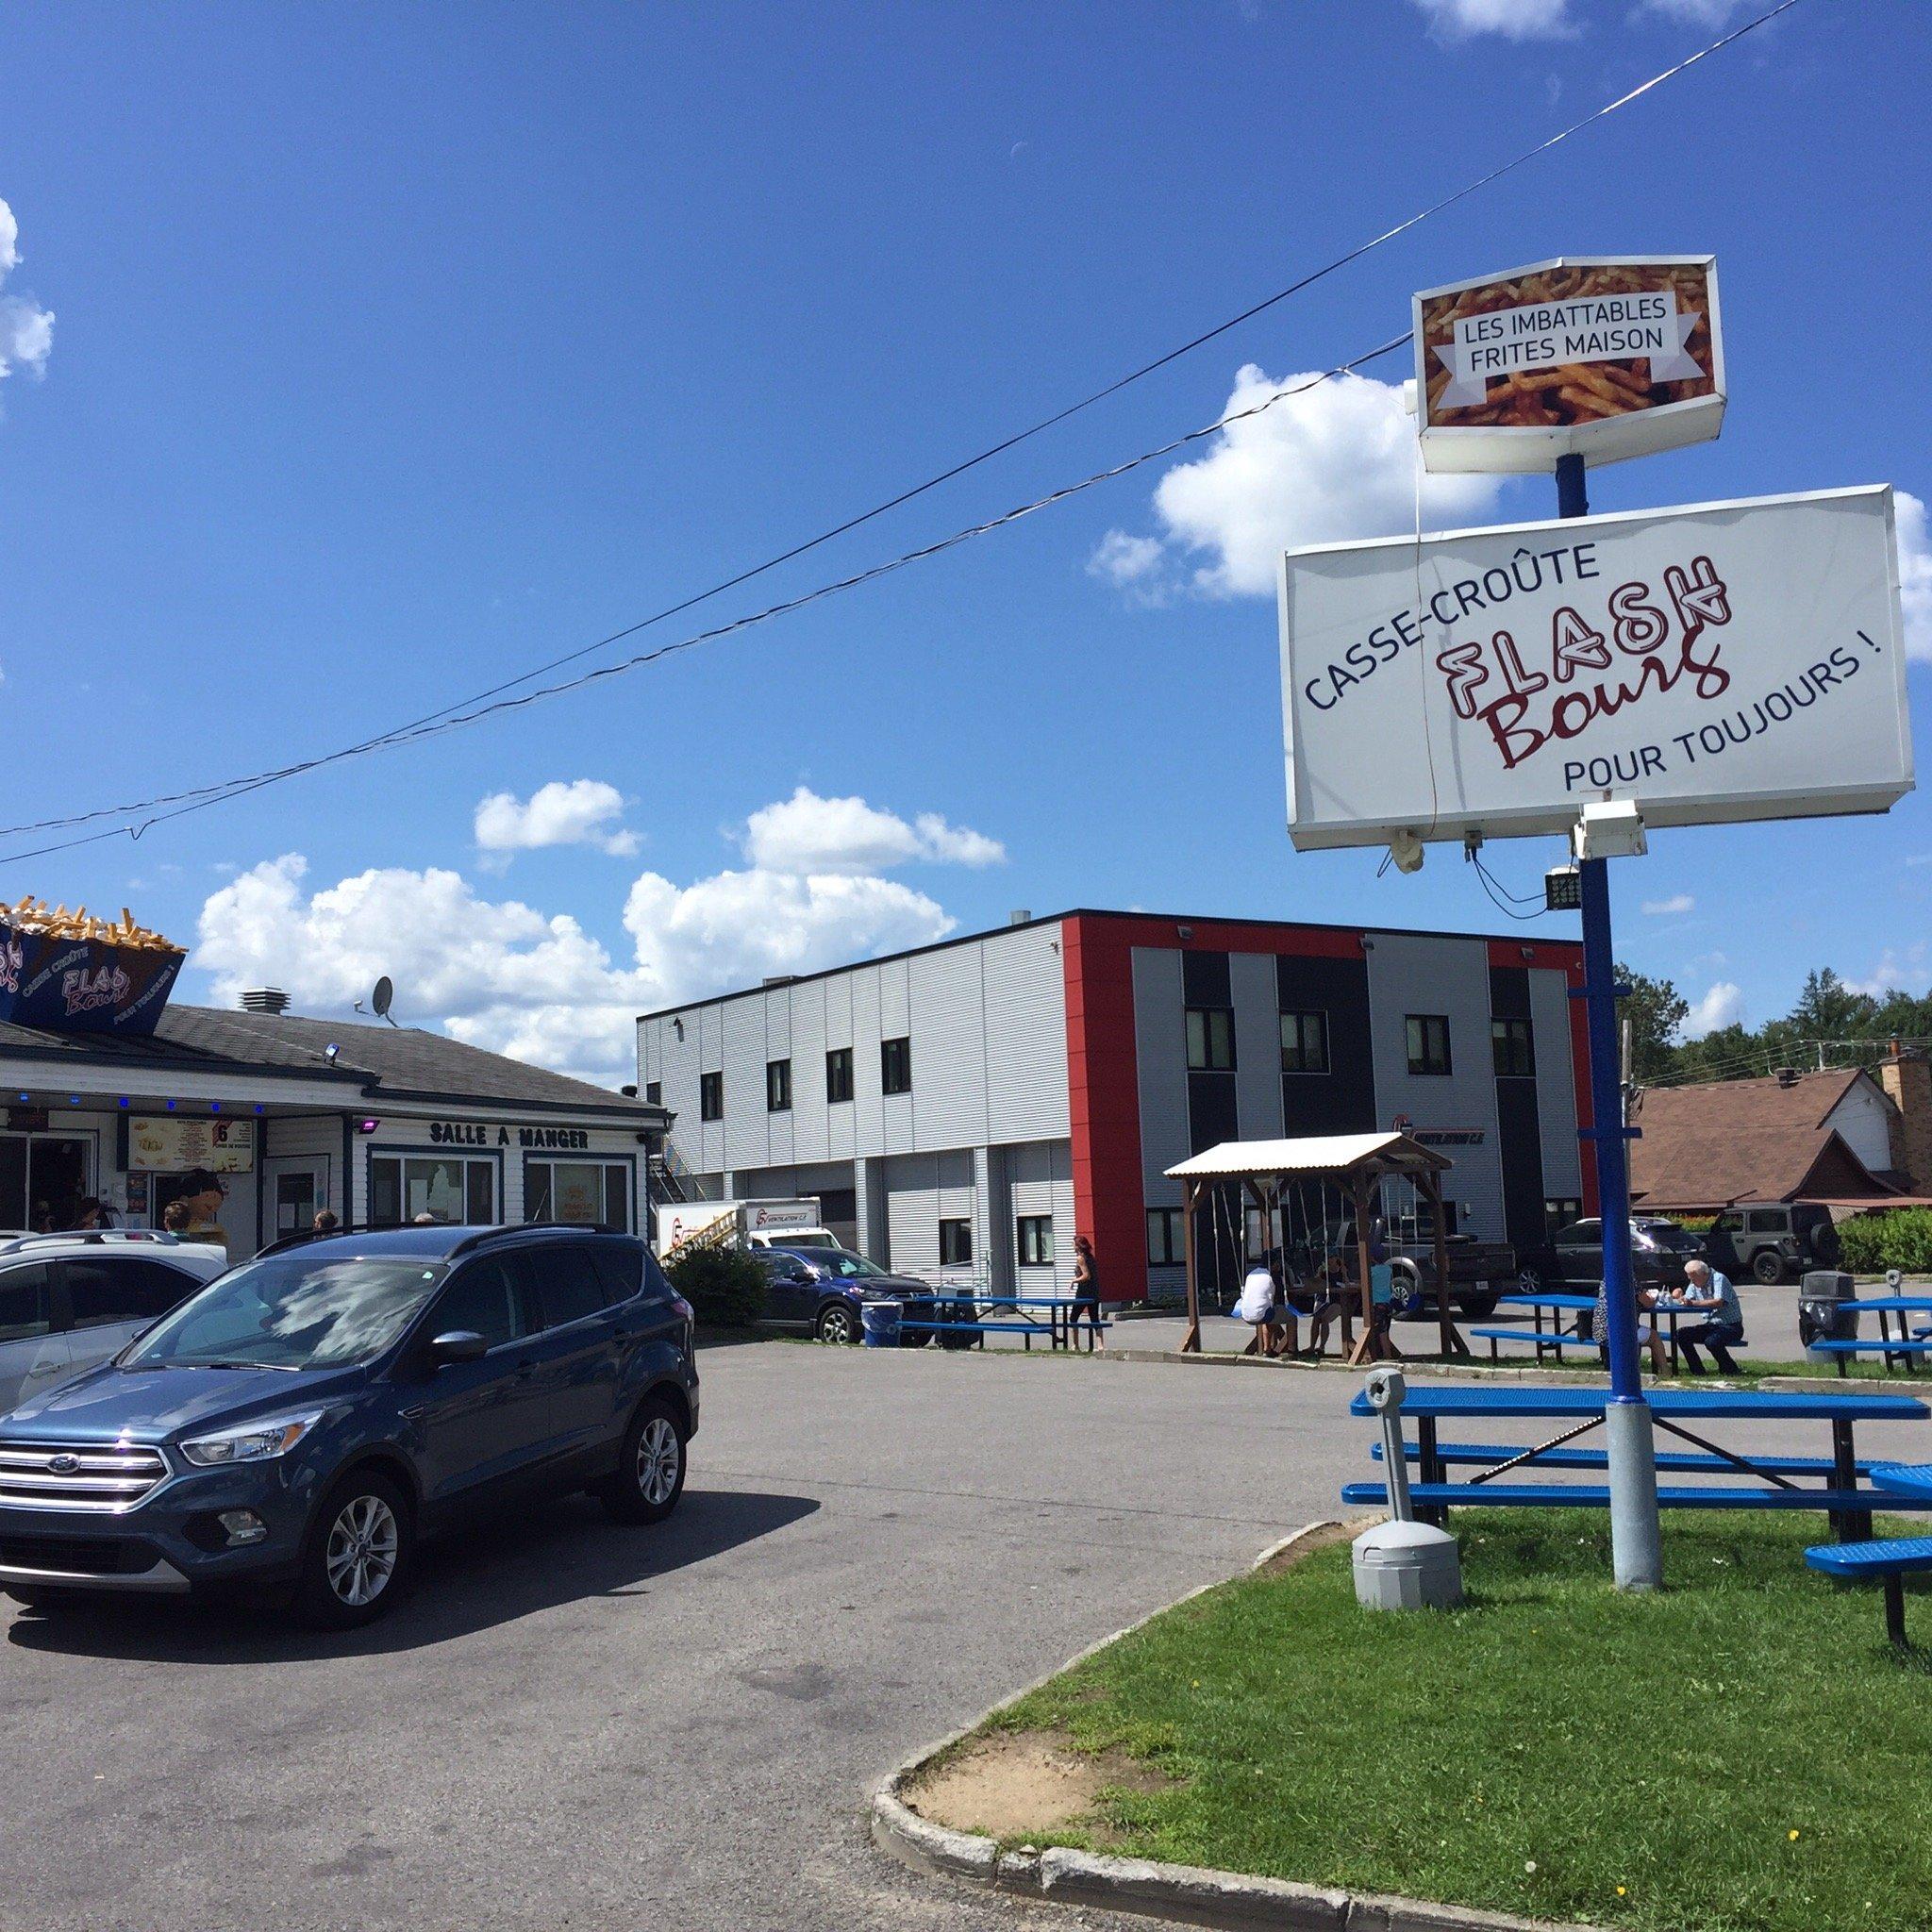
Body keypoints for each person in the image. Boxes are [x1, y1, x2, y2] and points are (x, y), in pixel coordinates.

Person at [1674, 1257, 1745, 1375]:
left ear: (1703, 1274)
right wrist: (1680, 1297)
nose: (1690, 1280)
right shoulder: (1694, 1283)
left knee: (1712, 1341)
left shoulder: (1719, 1278)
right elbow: (1688, 1299)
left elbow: (1718, 1302)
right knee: (1681, 1334)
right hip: (1711, 1325)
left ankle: (1730, 1369)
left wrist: (1693, 1303)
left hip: (1731, 1326)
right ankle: (1697, 1371)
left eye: (1692, 1277)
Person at [1593, 1274, 1668, 1376]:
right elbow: (1648, 1303)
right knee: (1654, 1337)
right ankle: (1666, 1372)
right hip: (1622, 1331)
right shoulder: (1629, 1279)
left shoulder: (1607, 1278)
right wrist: (1651, 1297)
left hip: (1600, 1331)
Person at [174, 1168, 229, 1251]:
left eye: (215, 1197)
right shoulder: (181, 1227)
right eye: (206, 1196)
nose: (211, 1202)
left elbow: (223, 1241)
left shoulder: (214, 1227)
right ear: (184, 1200)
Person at [1068, 1234, 1104, 1350]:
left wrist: (1074, 1280)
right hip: (1094, 1291)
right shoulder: (1090, 1257)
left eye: (1073, 1244)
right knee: (1094, 1318)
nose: (1072, 1246)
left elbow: (1086, 1276)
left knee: (1073, 1318)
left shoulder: (1080, 1258)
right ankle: (1100, 1346)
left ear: (1078, 1246)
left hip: (1084, 1292)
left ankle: (1075, 1345)